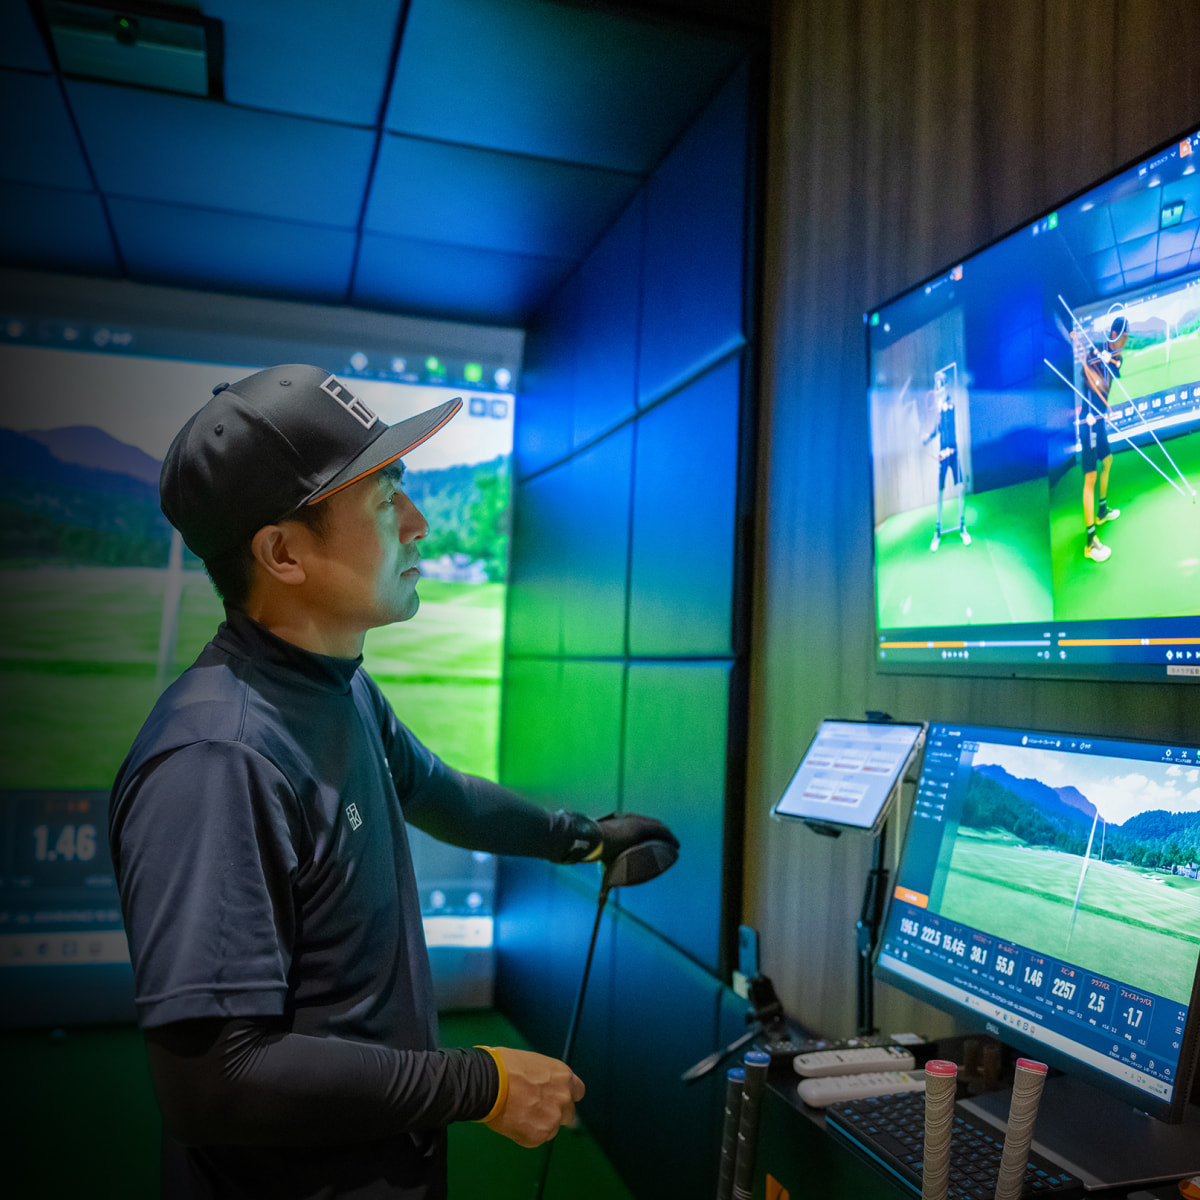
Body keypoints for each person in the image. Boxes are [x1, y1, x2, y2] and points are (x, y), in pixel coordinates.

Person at [108, 364, 678, 1200]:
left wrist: (582, 839)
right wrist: (481, 1084)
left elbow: (441, 794)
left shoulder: (338, 689)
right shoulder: (218, 759)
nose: (419, 524)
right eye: (384, 501)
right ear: (282, 553)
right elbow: (215, 1084)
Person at [1077, 315, 1126, 563]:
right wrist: (1098, 357)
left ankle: (1102, 511)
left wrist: (1109, 360)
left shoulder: (1117, 357)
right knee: (1090, 477)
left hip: (1099, 422)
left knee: (1107, 461)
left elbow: (1114, 370)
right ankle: (1090, 542)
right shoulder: (1095, 350)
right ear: (1114, 334)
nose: (1124, 342)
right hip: (1089, 424)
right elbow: (1086, 372)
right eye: (1123, 337)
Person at [923, 369, 971, 551]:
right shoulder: (939, 410)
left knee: (960, 487)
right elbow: (937, 429)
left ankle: (962, 525)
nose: (938, 388)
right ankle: (938, 530)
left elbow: (949, 412)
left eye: (940, 384)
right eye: (937, 384)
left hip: (954, 453)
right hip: (943, 455)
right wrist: (927, 438)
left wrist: (943, 403)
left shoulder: (949, 405)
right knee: (940, 490)